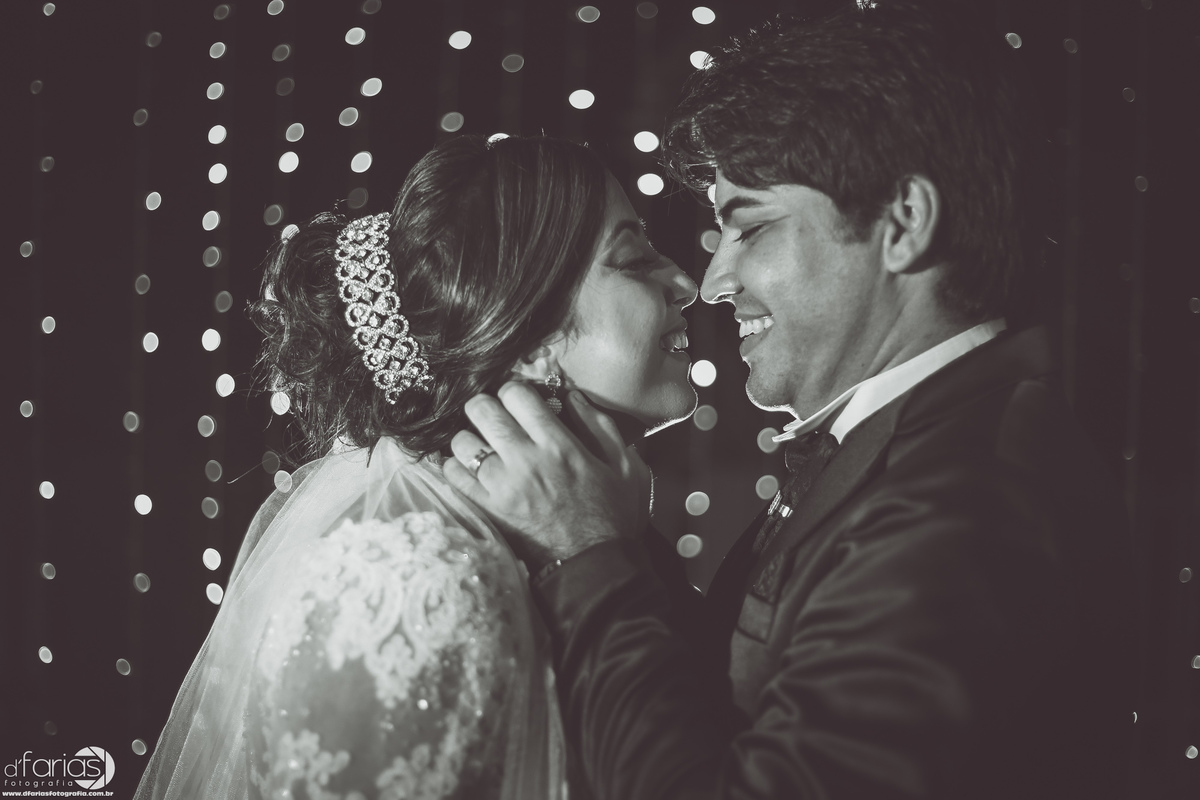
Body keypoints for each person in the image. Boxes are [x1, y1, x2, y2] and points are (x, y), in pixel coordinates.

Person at [444, 3, 1136, 799]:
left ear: (903, 223)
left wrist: (587, 556)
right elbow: (730, 702)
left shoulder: (970, 504)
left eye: (751, 229)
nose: (713, 283)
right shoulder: (910, 446)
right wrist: (621, 543)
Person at [133, 133, 699, 800]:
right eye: (634, 261)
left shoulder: (584, 524)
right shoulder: (411, 583)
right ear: (527, 340)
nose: (686, 283)